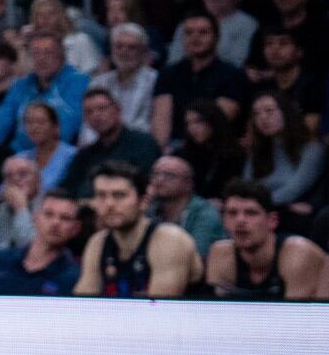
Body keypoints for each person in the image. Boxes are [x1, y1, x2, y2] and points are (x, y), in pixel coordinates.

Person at [75, 162, 200, 298]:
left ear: (143, 202)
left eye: (119, 195)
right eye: (101, 195)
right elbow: (83, 303)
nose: (109, 204)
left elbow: (159, 307)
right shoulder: (98, 243)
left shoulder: (170, 240)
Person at [203, 181, 326, 298]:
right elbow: (219, 311)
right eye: (232, 213)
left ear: (272, 221)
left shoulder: (299, 254)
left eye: (251, 213)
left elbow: (297, 313)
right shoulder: (221, 253)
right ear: (224, 220)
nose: (240, 221)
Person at [54, 88, 161, 201]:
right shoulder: (84, 156)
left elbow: (147, 185)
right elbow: (66, 190)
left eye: (102, 109)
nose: (96, 115)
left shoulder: (143, 144)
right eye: (89, 112)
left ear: (118, 110)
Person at [0, 191, 83, 295]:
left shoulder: (76, 277)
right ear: (35, 217)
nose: (55, 223)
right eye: (48, 214)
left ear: (76, 228)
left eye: (65, 218)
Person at [144, 154, 220, 255]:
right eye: (155, 174)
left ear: (188, 184)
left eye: (169, 175)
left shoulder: (205, 214)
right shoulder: (150, 207)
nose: (159, 180)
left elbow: (196, 254)